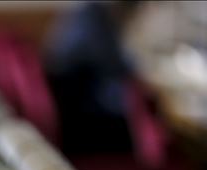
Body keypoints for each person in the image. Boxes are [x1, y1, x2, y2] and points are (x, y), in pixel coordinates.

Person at [44, 1, 143, 156]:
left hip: (73, 108)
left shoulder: (88, 11)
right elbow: (116, 65)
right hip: (82, 119)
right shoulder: (92, 16)